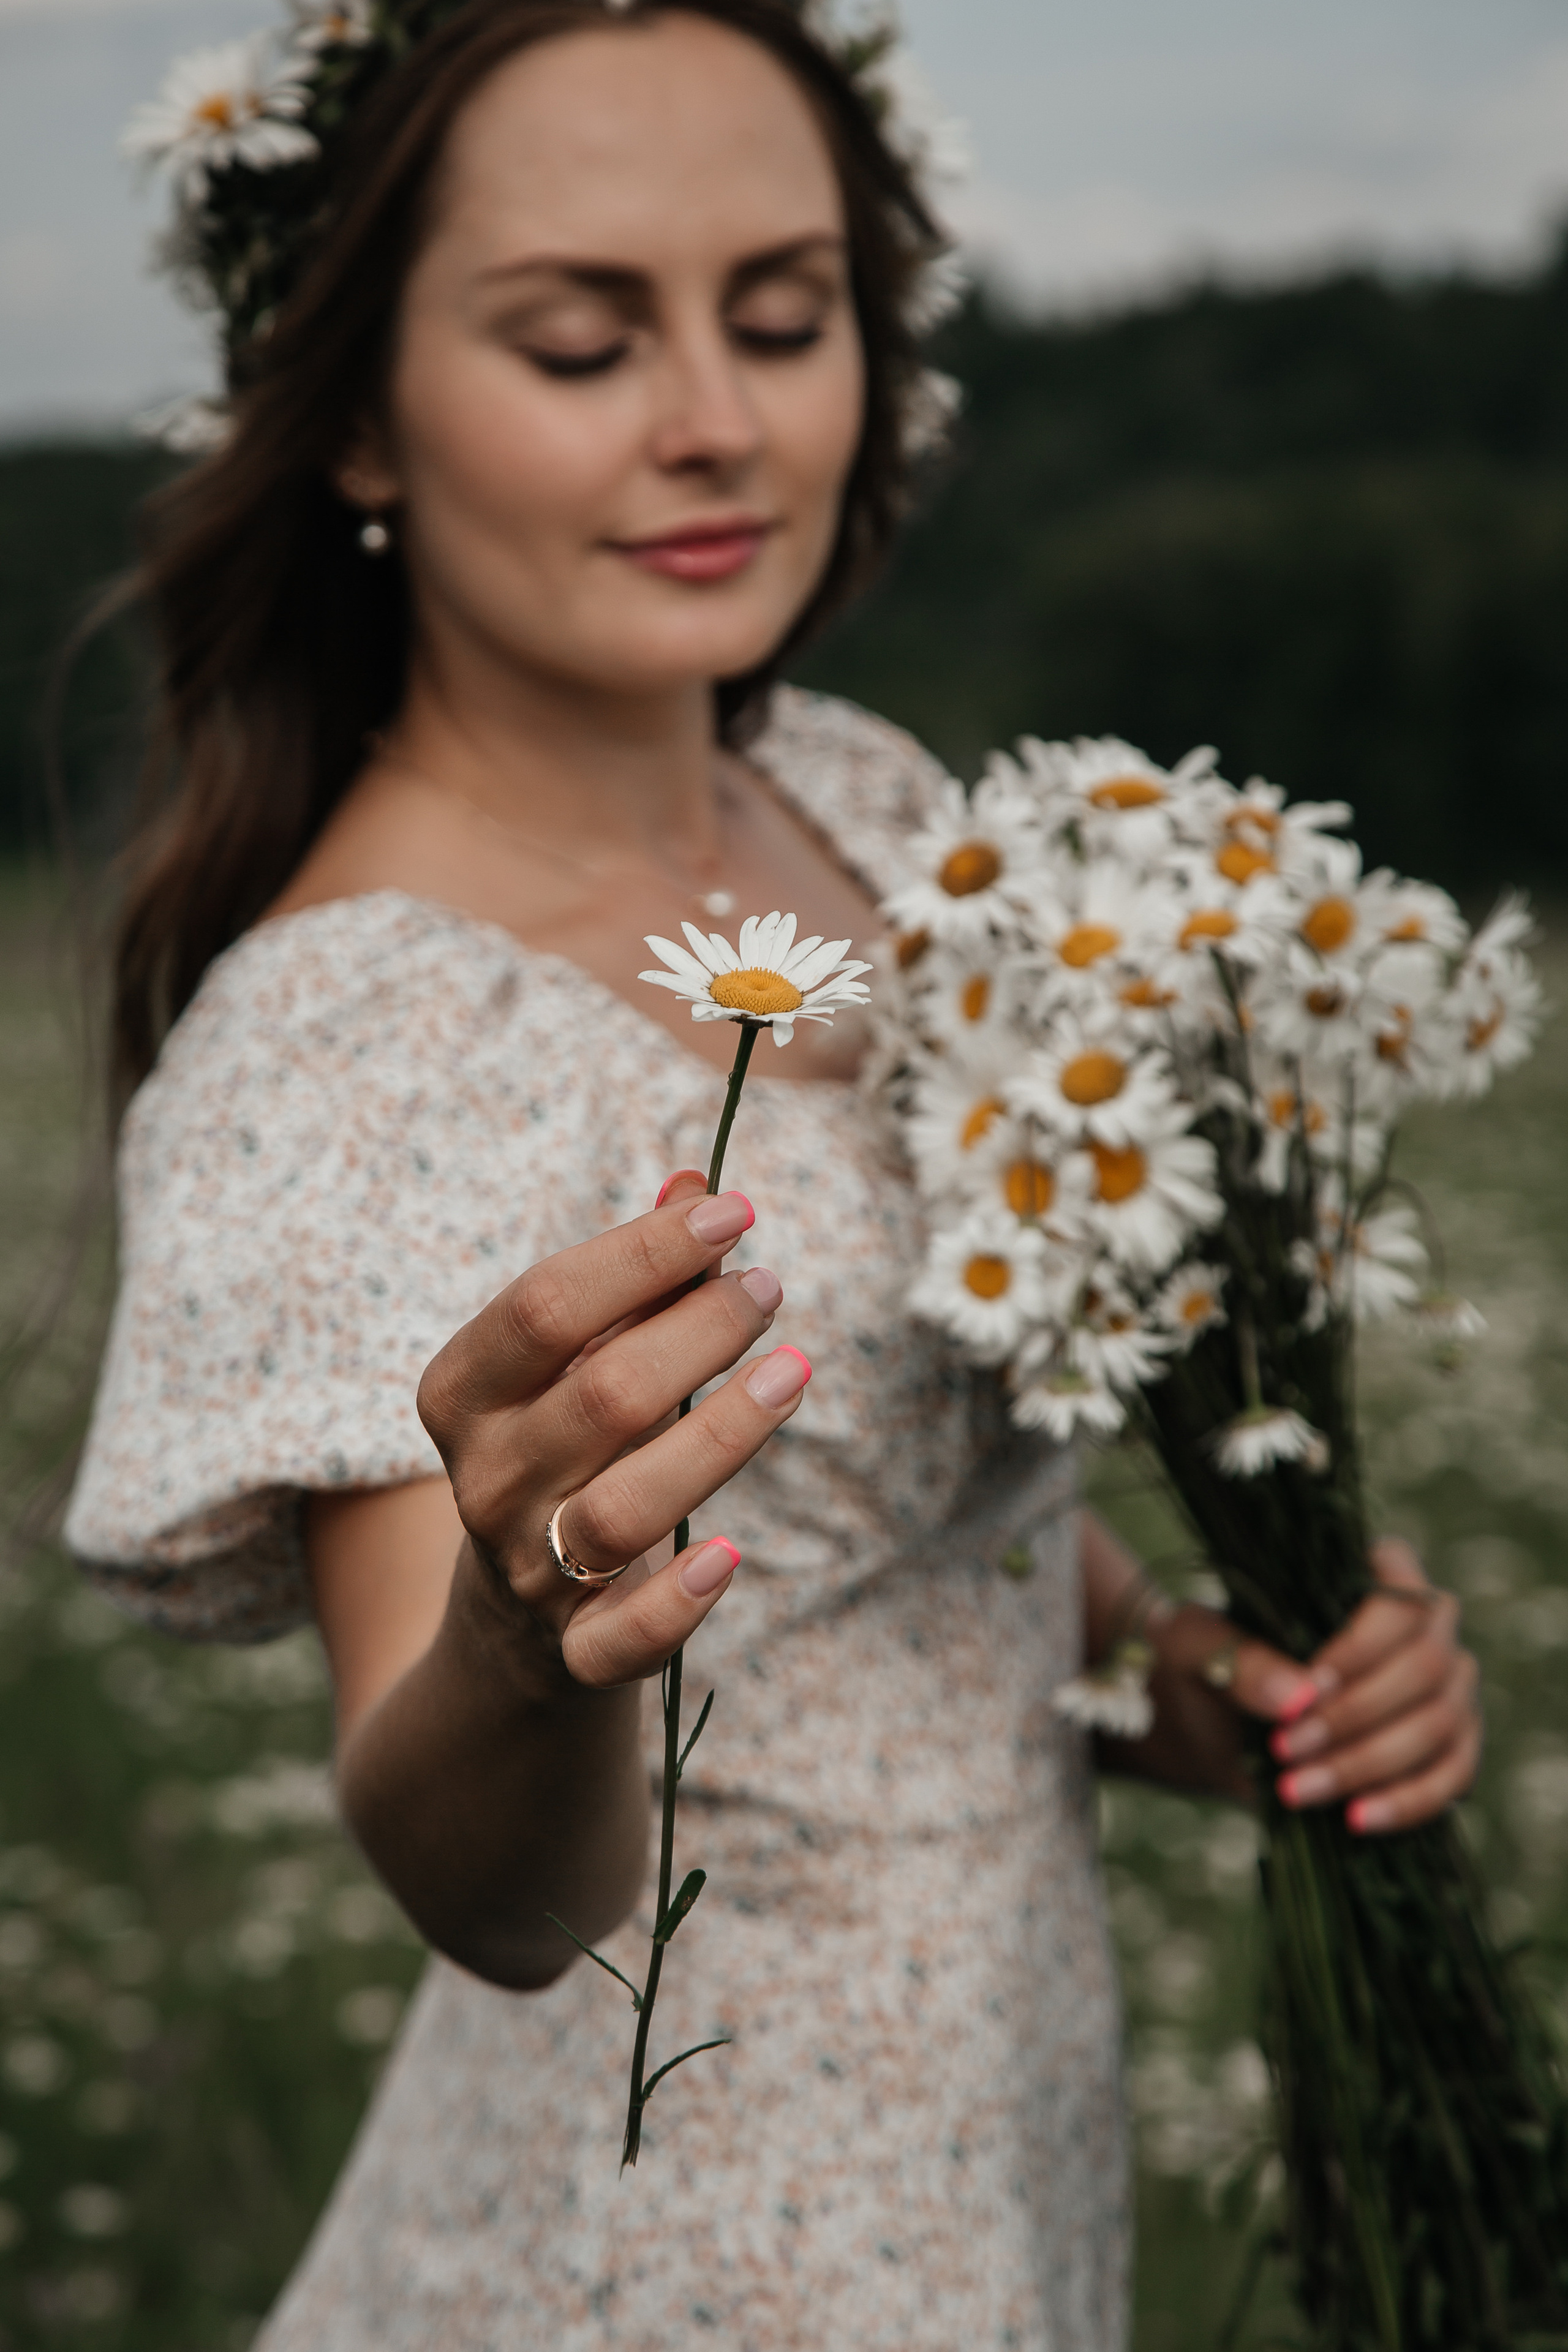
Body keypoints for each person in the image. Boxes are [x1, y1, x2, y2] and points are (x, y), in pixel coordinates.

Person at [68, 3, 1483, 2345]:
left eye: (785, 313)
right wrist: (528, 1651)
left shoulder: (867, 804)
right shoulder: (353, 1033)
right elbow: (485, 1885)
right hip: (694, 2245)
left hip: (1009, 2148)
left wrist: (1196, 1687)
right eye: (579, 336)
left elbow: (917, 1559)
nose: (718, 418)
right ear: (346, 415)